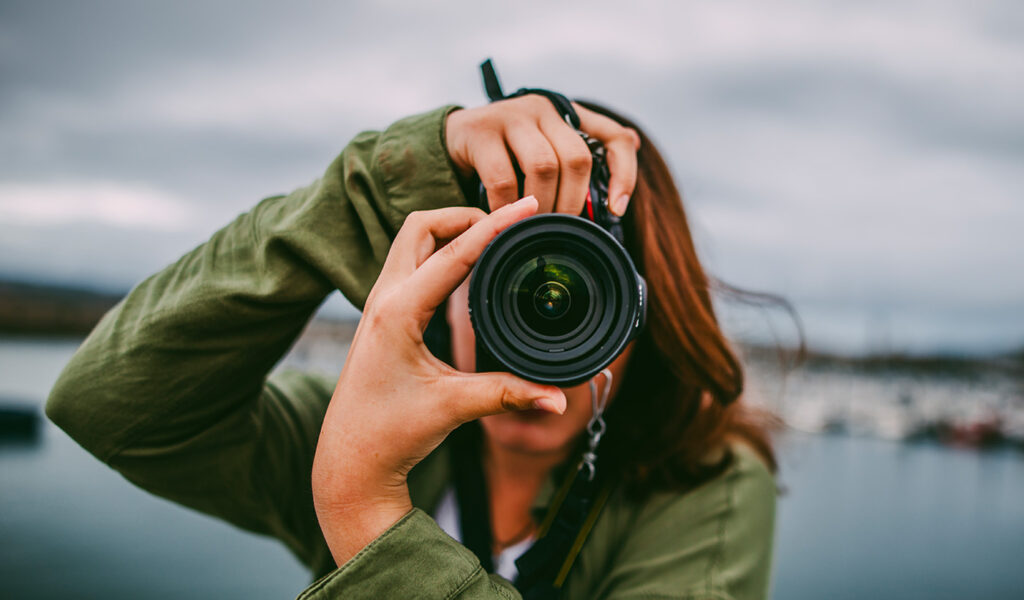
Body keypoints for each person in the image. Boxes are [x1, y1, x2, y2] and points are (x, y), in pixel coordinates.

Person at [47, 94, 777, 599]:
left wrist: (364, 508)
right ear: (441, 288)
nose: (535, 341)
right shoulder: (354, 430)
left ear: (646, 314)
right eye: (501, 279)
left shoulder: (707, 482)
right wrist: (365, 189)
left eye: (584, 298)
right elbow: (109, 406)